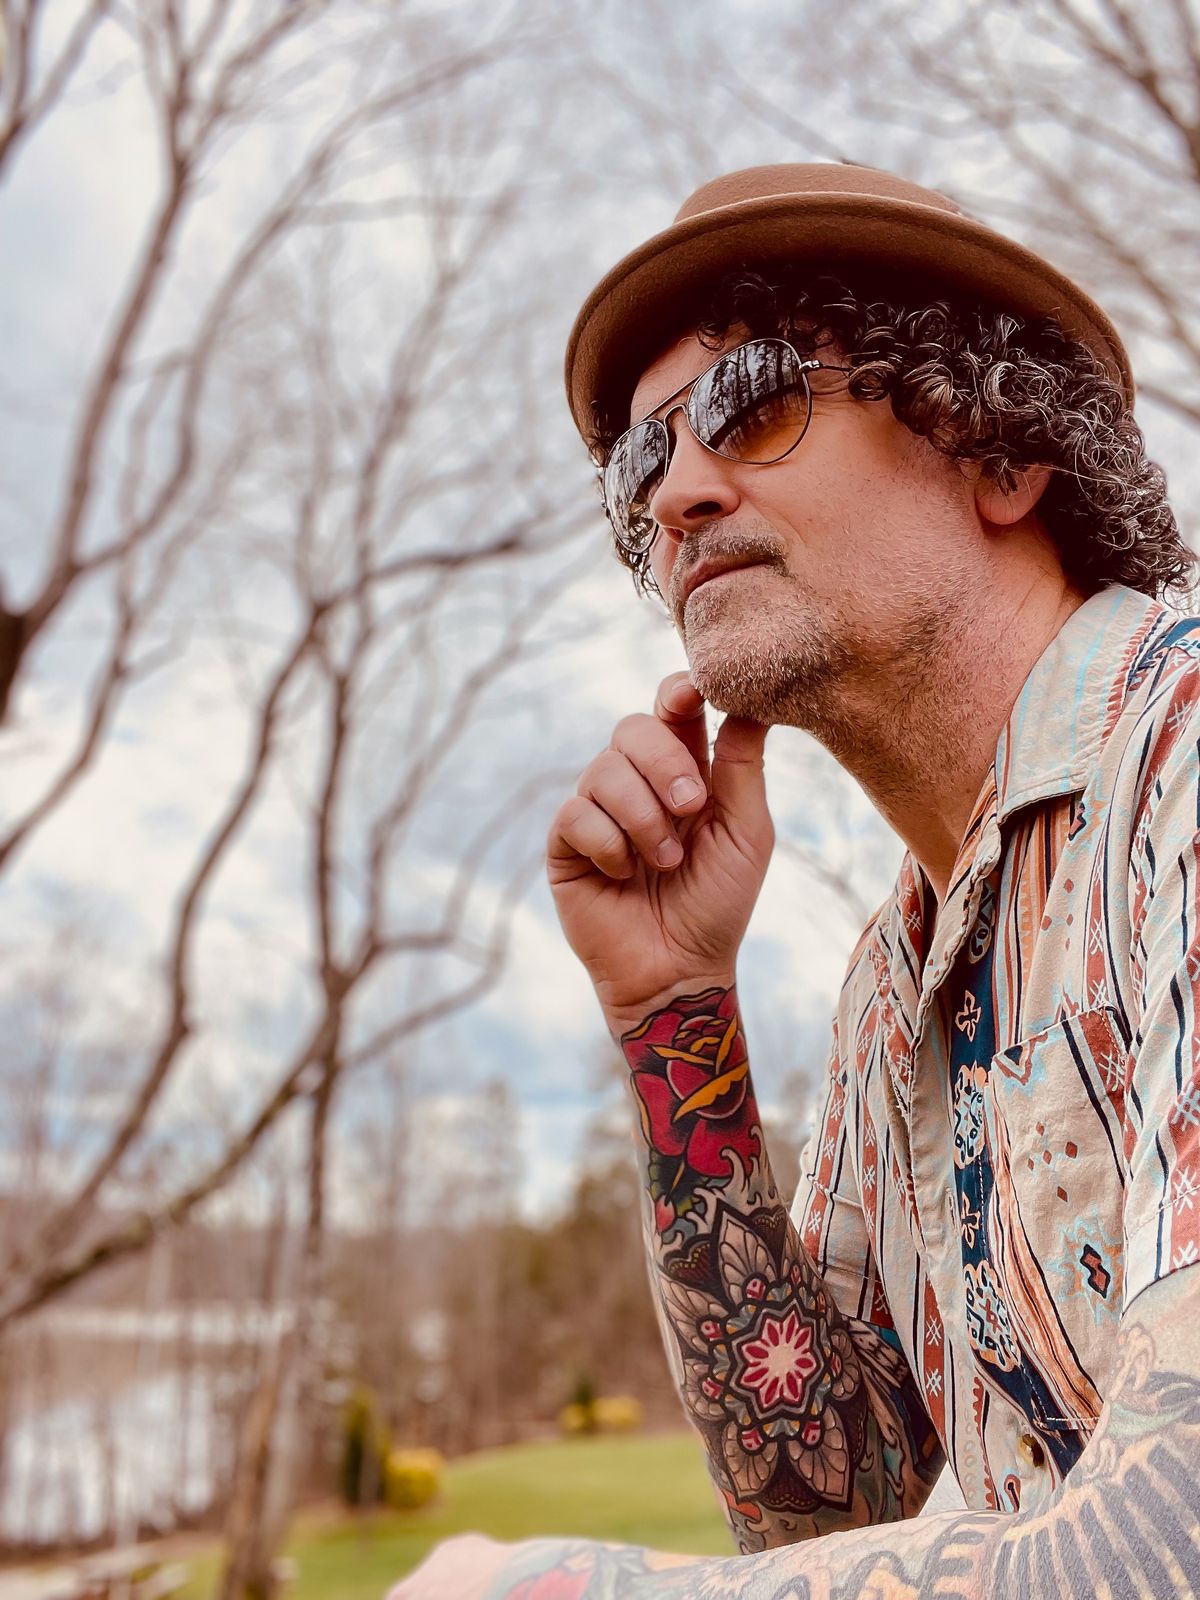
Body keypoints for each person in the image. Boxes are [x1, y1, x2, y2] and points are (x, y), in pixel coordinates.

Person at [394, 164, 1200, 1596]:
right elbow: (827, 1515)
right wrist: (673, 1016)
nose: (679, 495)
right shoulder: (896, 982)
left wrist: (546, 1591)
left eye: (755, 401)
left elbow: (1171, 1544)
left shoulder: (1183, 762)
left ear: (1000, 451)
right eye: (641, 467)